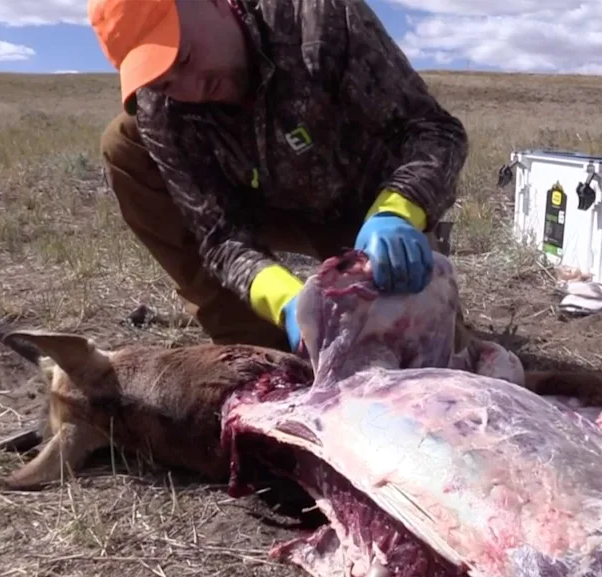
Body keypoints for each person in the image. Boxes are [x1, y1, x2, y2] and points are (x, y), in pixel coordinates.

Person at [88, 0, 469, 356]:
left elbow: (433, 131)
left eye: (184, 58)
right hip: (255, 209)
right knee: (123, 144)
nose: (189, 88)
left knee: (426, 350)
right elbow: (221, 238)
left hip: (364, 212)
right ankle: (253, 339)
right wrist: (287, 302)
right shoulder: (163, 107)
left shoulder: (316, 19)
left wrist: (398, 212)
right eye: (164, 81)